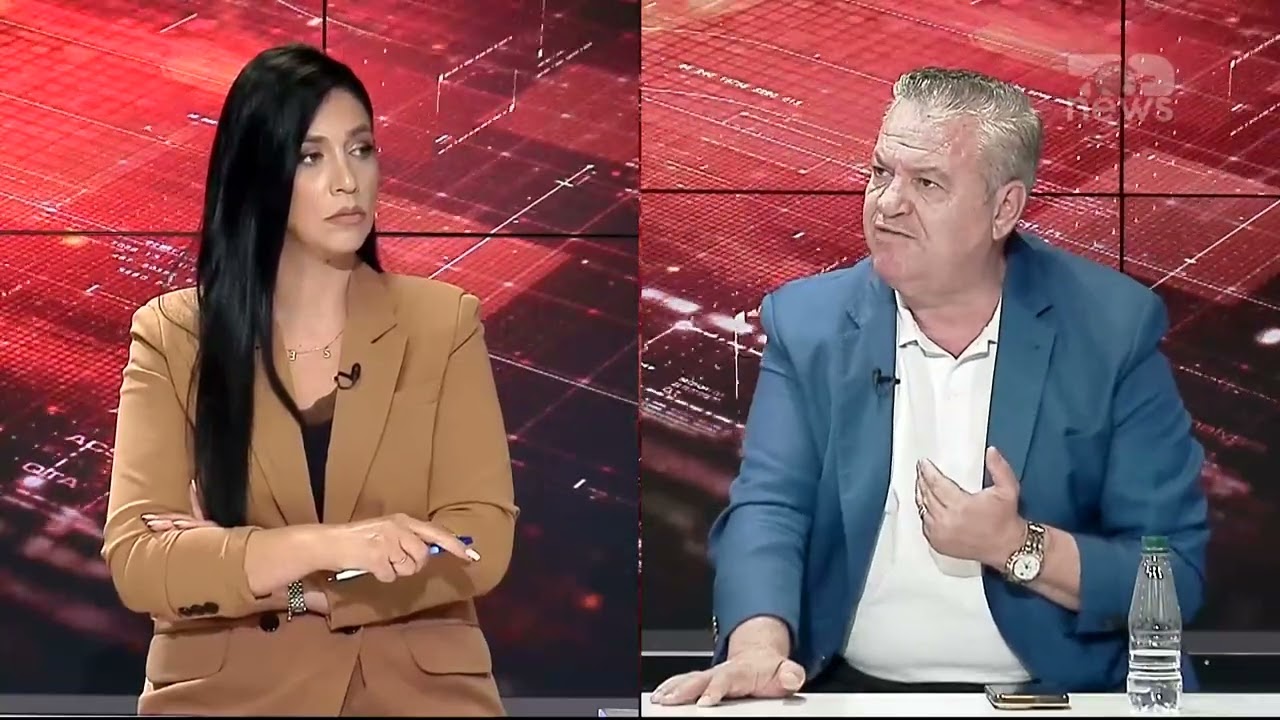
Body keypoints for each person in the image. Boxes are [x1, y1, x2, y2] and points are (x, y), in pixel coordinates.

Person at [650, 67, 1210, 707]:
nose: (887, 202)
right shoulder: (808, 324)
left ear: (1004, 209)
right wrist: (758, 649)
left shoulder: (1110, 329)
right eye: (880, 172)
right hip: (848, 690)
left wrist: (1013, 546)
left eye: (927, 183)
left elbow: (1172, 572)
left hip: (1061, 694)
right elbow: (771, 509)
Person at [100, 44, 518, 717]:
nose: (348, 182)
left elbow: (478, 542)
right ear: (258, 173)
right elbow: (142, 561)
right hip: (227, 697)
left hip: (415, 695)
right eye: (310, 157)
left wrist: (304, 589)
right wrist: (335, 544)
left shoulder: (443, 323)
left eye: (361, 149)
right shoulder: (174, 335)